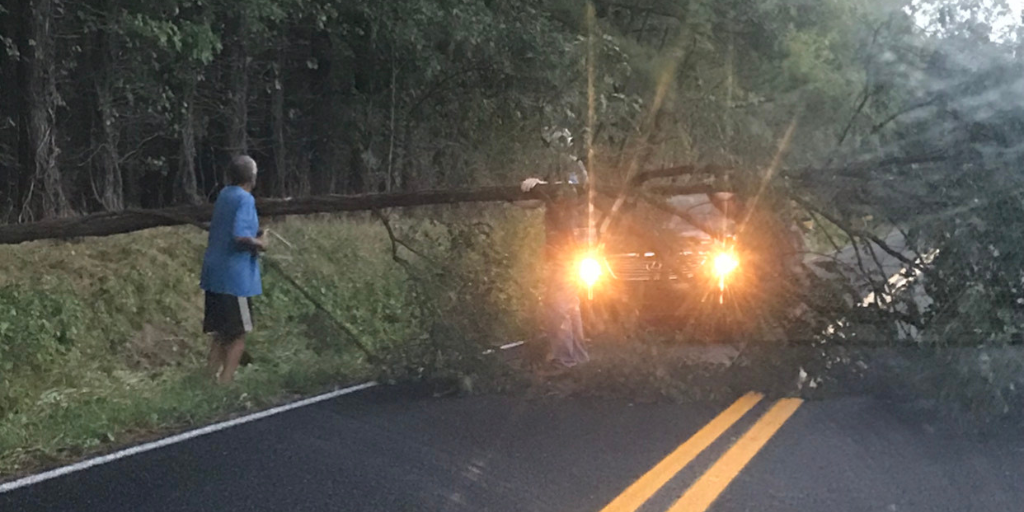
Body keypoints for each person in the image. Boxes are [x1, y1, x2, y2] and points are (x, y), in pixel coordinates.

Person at [519, 130, 591, 372]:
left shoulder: (574, 169)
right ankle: (577, 358)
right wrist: (521, 192)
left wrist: (542, 186)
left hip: (570, 248)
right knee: (568, 303)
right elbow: (533, 202)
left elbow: (567, 191)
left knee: (558, 303)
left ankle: (565, 359)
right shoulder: (554, 170)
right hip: (558, 248)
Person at [199, 155, 267, 383]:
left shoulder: (224, 195)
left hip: (214, 274)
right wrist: (260, 243)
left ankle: (207, 380)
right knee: (238, 334)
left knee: (221, 332)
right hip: (235, 279)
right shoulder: (245, 199)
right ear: (252, 178)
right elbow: (240, 236)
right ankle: (225, 382)